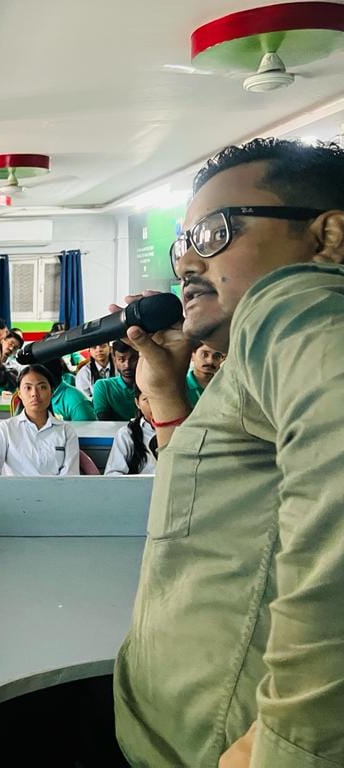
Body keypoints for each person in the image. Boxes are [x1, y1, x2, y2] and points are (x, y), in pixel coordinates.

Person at [113, 137, 344, 767]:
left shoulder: (297, 302)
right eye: (182, 243)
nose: (187, 262)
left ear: (327, 238)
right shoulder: (253, 353)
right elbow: (223, 497)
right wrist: (165, 397)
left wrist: (295, 737)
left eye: (215, 233)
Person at [0, 365, 80, 477]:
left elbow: (70, 477)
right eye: (28, 388)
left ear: (51, 392)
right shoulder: (5, 429)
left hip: (54, 493)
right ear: (19, 394)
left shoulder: (66, 432)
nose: (34, 394)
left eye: (42, 387)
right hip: (13, 493)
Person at [104, 388, 157, 476]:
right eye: (146, 399)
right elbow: (113, 475)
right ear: (137, 403)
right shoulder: (127, 434)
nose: (154, 405)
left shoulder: (181, 432)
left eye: (158, 399)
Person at [91, 340, 138, 420]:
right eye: (121, 359)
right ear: (114, 359)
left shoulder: (150, 385)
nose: (127, 365)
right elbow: (104, 422)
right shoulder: (104, 387)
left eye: (132, 359)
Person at [184, 342, 225, 406]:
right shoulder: (180, 387)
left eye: (217, 356)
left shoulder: (226, 387)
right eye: (204, 354)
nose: (210, 361)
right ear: (192, 355)